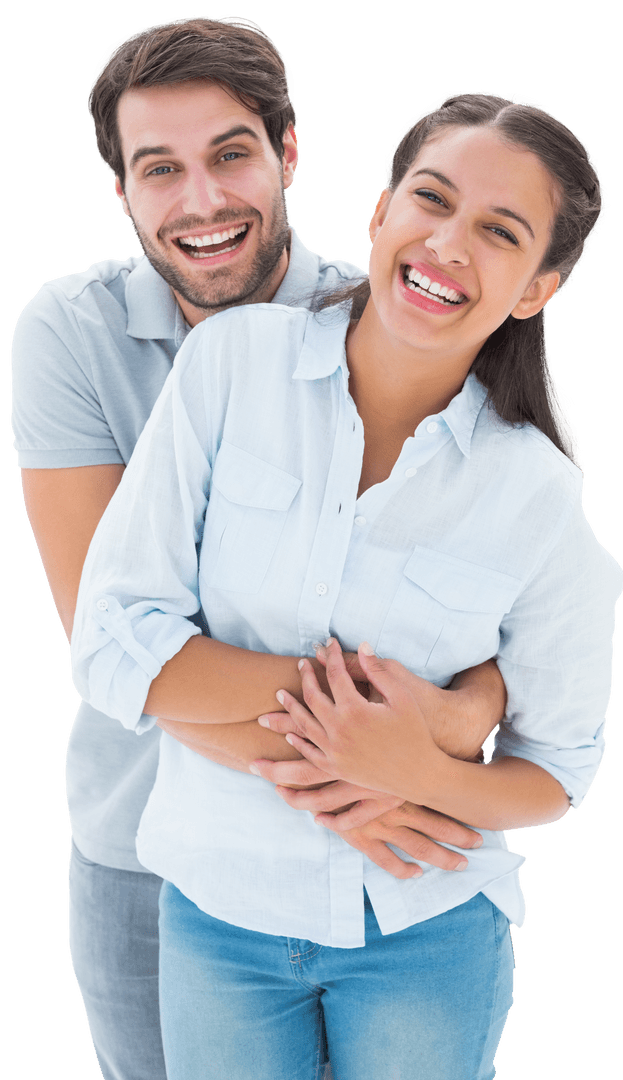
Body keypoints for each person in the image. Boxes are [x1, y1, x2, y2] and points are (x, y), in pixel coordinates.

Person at [69, 90, 623, 1079]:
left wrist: (426, 774)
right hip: (217, 916)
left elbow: (559, 767)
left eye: (499, 231)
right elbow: (115, 639)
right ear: (380, 213)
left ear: (536, 289)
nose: (447, 243)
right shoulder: (231, 366)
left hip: (423, 933)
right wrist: (402, 727)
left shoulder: (538, 494)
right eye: (431, 198)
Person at [10, 18, 503, 1080]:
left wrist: (460, 717)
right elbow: (114, 645)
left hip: (373, 870)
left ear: (287, 152)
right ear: (121, 192)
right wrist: (380, 765)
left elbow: (490, 621)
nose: (202, 201)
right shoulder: (72, 335)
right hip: (152, 854)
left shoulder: (393, 328)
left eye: (230, 153)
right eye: (160, 169)